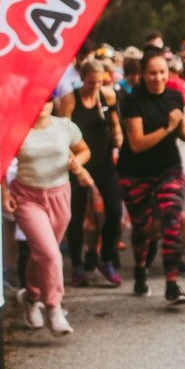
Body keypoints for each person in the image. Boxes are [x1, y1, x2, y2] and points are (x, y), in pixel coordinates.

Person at [3, 95, 94, 336]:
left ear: (52, 102)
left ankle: (31, 297)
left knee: (42, 254)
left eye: (46, 99)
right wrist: (4, 193)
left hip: (60, 196)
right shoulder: (17, 129)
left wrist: (77, 162)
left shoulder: (64, 126)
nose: (41, 104)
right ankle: (54, 307)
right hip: (27, 198)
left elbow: (84, 150)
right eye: (36, 99)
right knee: (51, 253)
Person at [117, 47, 185, 305]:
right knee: (142, 228)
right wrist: (168, 127)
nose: (158, 78)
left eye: (162, 72)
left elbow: (182, 130)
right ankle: (141, 268)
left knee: (172, 219)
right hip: (135, 171)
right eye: (152, 73)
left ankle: (172, 283)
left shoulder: (175, 96)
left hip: (168, 167)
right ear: (142, 74)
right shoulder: (132, 100)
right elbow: (137, 143)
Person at [59, 58, 124, 288]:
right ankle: (77, 264)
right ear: (81, 80)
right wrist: (74, 164)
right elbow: (62, 134)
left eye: (99, 82)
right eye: (90, 83)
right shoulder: (70, 100)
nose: (95, 87)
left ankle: (105, 259)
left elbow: (115, 123)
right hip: (79, 162)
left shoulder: (107, 95)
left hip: (103, 161)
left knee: (115, 210)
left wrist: (118, 138)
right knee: (76, 215)